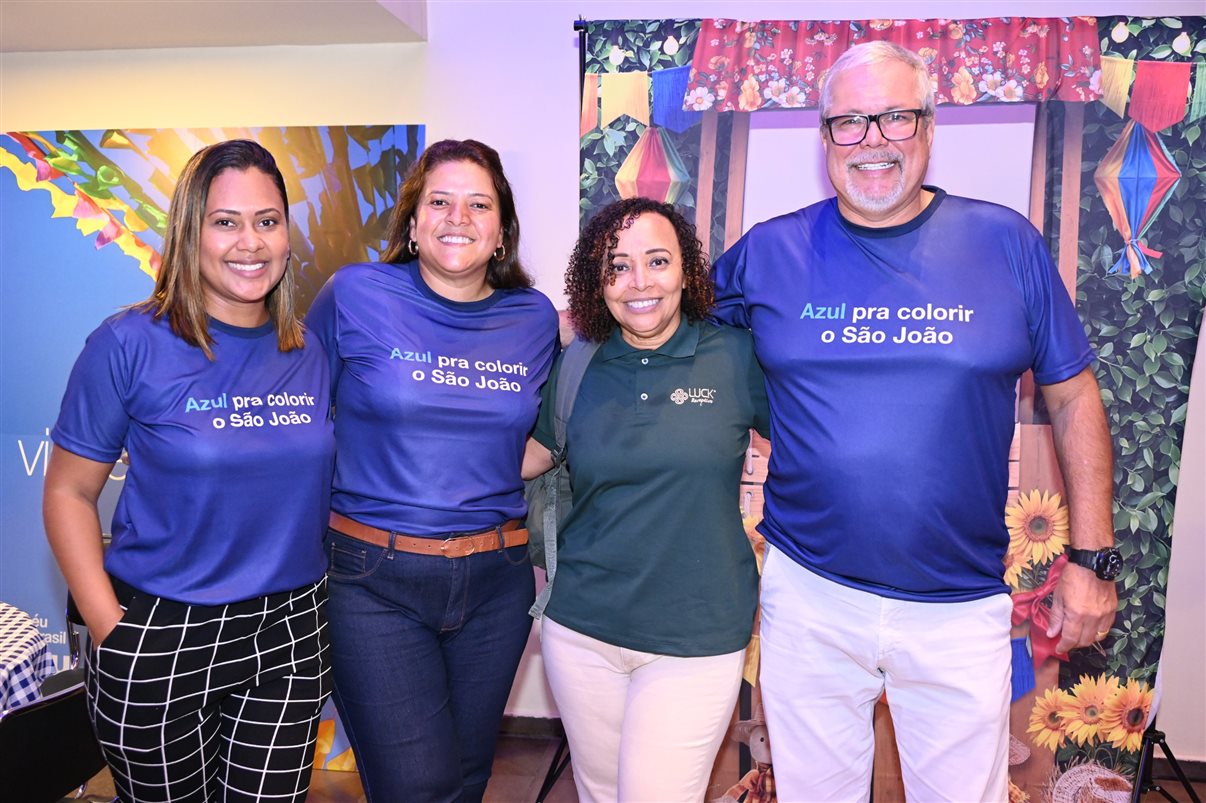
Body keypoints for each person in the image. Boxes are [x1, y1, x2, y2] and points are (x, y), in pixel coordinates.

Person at [711, 41, 1119, 802]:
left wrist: (1092, 560)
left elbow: (1072, 396)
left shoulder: (1007, 244)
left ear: (928, 127)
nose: (872, 141)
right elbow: (667, 331)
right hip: (810, 596)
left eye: (894, 117)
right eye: (850, 123)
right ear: (824, 137)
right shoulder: (768, 252)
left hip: (958, 604)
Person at [43, 139, 335, 803]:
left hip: (290, 630)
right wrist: (111, 630)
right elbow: (68, 491)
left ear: (287, 235)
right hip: (161, 630)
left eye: (267, 220)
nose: (250, 242)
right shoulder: (128, 344)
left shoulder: (309, 350)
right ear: (189, 231)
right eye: (225, 221)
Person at [307, 139, 559, 803]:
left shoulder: (532, 317)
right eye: (440, 202)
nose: (458, 217)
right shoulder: (355, 293)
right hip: (372, 580)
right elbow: (301, 421)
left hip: (497, 584)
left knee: (468, 777)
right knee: (418, 784)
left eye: (479, 204)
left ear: (501, 230)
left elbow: (546, 433)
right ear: (412, 224)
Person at [524, 197, 770, 803]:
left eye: (657, 261)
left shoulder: (735, 358)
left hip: (697, 635)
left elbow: (812, 450)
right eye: (617, 266)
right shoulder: (579, 362)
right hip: (580, 630)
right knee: (600, 793)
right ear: (596, 281)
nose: (639, 283)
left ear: (686, 271)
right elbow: (525, 459)